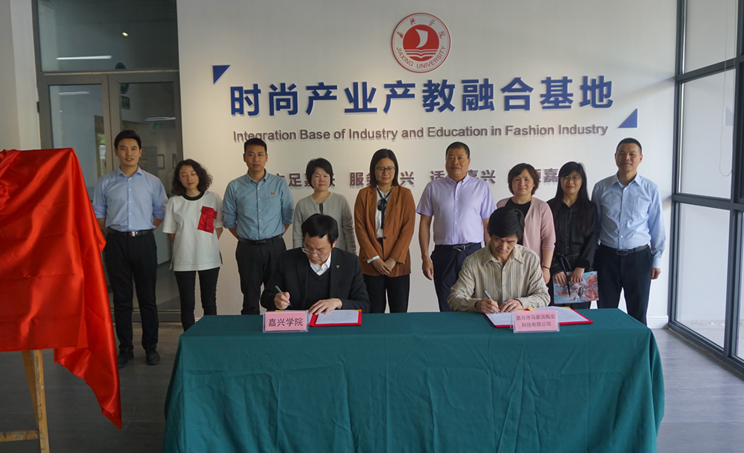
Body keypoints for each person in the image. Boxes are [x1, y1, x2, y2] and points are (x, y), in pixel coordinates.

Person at [92, 130, 167, 368]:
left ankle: (151, 347)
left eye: (134, 148)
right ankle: (125, 348)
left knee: (148, 298)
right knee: (121, 300)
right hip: (115, 243)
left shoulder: (152, 182)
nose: (129, 153)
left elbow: (160, 212)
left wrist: (143, 230)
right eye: (123, 148)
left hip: (144, 242)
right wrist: (117, 232)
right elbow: (99, 214)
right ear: (115, 152)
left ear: (140, 152)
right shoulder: (105, 182)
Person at [592, 138, 665, 325]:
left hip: (639, 259)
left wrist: (656, 259)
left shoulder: (650, 189)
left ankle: (636, 345)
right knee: (605, 313)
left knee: (638, 313)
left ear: (640, 158)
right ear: (615, 157)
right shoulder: (601, 188)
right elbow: (594, 226)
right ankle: (608, 345)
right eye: (622, 153)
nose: (627, 158)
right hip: (606, 258)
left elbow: (657, 226)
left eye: (632, 154)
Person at [417, 142, 496, 312]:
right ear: (445, 161)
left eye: (460, 158)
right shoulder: (433, 188)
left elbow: (488, 225)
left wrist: (491, 256)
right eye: (451, 158)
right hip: (444, 255)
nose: (455, 162)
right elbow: (424, 223)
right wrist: (425, 257)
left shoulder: (481, 187)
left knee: (476, 303)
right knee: (446, 304)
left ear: (468, 161)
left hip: (473, 253)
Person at [222, 138, 294, 315]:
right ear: (244, 157)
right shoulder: (234, 186)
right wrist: (246, 237)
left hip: (275, 248)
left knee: (277, 296)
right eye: (251, 154)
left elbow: (287, 215)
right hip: (247, 249)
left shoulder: (279, 184)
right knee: (250, 298)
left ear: (266, 157)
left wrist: (273, 236)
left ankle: (275, 331)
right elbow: (229, 220)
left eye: (260, 154)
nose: (256, 159)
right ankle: (250, 332)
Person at [261, 214, 370, 313]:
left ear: (333, 243)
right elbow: (266, 297)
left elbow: (364, 305)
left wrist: (338, 303)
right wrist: (276, 301)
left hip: (333, 325)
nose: (313, 255)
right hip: (299, 324)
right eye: (308, 247)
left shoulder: (350, 263)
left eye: (320, 250)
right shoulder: (287, 260)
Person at [448, 208, 549, 312]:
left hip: (518, 320)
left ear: (518, 238)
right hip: (486, 321)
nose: (503, 247)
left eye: (510, 242)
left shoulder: (530, 259)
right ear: (488, 231)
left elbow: (543, 296)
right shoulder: (473, 262)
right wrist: (476, 305)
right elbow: (454, 298)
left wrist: (521, 303)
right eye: (498, 240)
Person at [162, 159, 223, 331]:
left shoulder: (212, 199)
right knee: (187, 303)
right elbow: (172, 233)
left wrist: (205, 244)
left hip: (209, 259)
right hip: (184, 260)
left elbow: (217, 228)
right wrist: (187, 244)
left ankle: (210, 338)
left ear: (200, 175)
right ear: (178, 179)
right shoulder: (174, 202)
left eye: (193, 174)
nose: (189, 178)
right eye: (184, 175)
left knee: (209, 302)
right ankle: (190, 339)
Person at [354, 149, 416, 313]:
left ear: (396, 170)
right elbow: (360, 229)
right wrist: (374, 258)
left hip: (398, 262)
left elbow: (407, 230)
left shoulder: (405, 194)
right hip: (371, 263)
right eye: (380, 168)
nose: (385, 173)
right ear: (373, 170)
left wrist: (393, 259)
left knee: (399, 312)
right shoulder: (363, 195)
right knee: (373, 312)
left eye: (390, 168)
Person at [547, 162, 599, 309]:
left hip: (582, 270)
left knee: (580, 314)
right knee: (555, 314)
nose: (570, 182)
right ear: (560, 180)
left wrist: (581, 266)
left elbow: (593, 239)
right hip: (556, 268)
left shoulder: (590, 208)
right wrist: (555, 267)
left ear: (582, 181)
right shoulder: (549, 207)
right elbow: (544, 239)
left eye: (575, 177)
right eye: (566, 177)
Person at [496, 163, 556, 285]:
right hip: (503, 264)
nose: (521, 183)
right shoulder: (501, 205)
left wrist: (546, 267)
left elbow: (548, 239)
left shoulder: (542, 207)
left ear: (534, 183)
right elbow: (494, 235)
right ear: (511, 183)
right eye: (517, 179)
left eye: (526, 179)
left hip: (531, 266)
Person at [292, 158, 356, 253]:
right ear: (310, 178)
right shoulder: (302, 204)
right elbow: (297, 235)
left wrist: (352, 255)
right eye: (317, 176)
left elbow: (348, 231)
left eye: (325, 175)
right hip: (311, 255)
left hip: (338, 254)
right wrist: (297, 256)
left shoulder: (341, 201)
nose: (322, 179)